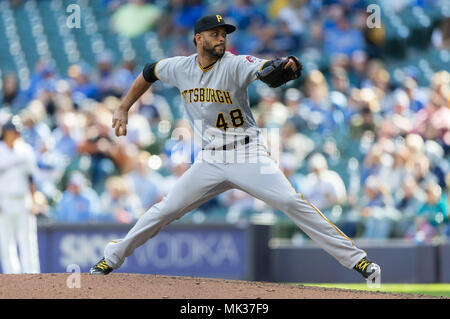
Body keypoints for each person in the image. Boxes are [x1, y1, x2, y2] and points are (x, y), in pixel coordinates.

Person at [89, 14, 380, 283]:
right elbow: (149, 71)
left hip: (247, 154)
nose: (221, 39)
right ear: (198, 39)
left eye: (224, 34)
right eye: (214, 34)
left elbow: (262, 68)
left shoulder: (234, 63)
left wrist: (280, 65)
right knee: (165, 209)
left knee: (292, 202)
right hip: (210, 159)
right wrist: (124, 106)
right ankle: (112, 256)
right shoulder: (179, 67)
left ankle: (358, 261)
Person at [0, 119, 40, 273]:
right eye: (11, 131)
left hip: (24, 199)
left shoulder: (26, 150)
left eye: (16, 131)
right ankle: (12, 277)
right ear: (5, 132)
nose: (14, 134)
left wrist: (34, 199)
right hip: (4, 200)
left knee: (28, 240)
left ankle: (32, 275)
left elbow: (31, 178)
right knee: (6, 241)